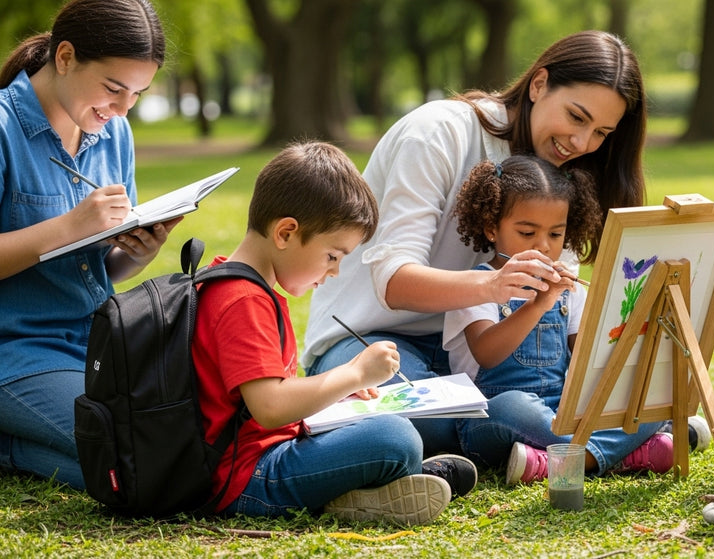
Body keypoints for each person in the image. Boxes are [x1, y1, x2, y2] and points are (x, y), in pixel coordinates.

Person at [304, 30, 649, 456]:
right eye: (577, 117)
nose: (582, 143)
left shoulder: (567, 173)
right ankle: (592, 443)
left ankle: (542, 440)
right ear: (539, 84)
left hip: (487, 362)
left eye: (602, 132)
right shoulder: (438, 133)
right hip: (375, 340)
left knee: (510, 410)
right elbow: (393, 282)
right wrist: (492, 285)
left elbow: (561, 325)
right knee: (426, 421)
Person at [192, 141, 477, 524]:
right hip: (251, 479)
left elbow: (260, 397)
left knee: (384, 430)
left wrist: (339, 393)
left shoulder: (235, 285)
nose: (335, 271)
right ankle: (373, 485)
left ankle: (367, 490)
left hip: (264, 456)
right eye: (332, 256)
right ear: (285, 233)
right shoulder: (243, 300)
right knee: (396, 438)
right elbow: (270, 407)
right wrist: (354, 373)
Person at [442, 155, 711, 483]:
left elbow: (590, 360)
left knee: (648, 400)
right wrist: (538, 305)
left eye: (556, 234)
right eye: (527, 232)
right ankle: (618, 455)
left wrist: (622, 318)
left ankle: (554, 461)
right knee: (513, 404)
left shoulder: (568, 290)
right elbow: (487, 353)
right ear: (491, 228)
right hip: (493, 419)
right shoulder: (477, 285)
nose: (543, 246)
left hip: (562, 414)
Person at [0, 0, 177, 489]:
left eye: (137, 94)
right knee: (142, 461)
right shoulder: (4, 129)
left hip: (101, 344)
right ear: (65, 57)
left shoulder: (114, 133)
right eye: (114, 88)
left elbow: (98, 267)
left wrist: (135, 253)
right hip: (17, 350)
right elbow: (71, 234)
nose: (122, 109)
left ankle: (11, 445)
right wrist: (71, 226)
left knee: (176, 438)